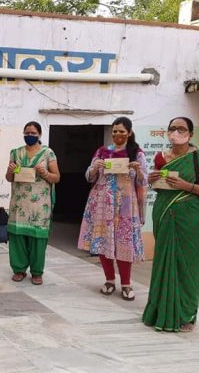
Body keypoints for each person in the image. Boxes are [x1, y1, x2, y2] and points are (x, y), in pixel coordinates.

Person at [142, 117, 199, 332]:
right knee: (164, 264)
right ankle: (159, 312)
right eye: (173, 128)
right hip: (164, 215)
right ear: (167, 132)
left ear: (190, 134)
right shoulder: (161, 157)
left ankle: (186, 315)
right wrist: (153, 180)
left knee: (188, 267)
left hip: (190, 220)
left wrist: (187, 186)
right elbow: (161, 189)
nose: (176, 132)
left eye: (181, 129)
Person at [78, 117, 148, 301]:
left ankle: (126, 284)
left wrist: (138, 170)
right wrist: (94, 167)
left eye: (121, 132)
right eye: (115, 131)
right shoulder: (103, 151)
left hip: (126, 204)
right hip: (102, 203)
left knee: (124, 243)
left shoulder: (137, 154)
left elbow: (144, 180)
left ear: (129, 133)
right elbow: (89, 176)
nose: (117, 135)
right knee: (103, 240)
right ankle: (109, 280)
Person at [5, 121, 60, 285]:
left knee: (37, 237)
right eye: (27, 133)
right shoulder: (16, 153)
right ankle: (19, 269)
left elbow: (56, 177)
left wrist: (45, 173)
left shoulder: (47, 153)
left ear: (39, 135)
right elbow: (9, 178)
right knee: (17, 236)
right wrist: (10, 170)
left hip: (39, 204)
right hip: (19, 203)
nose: (29, 136)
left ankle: (37, 272)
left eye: (33, 133)